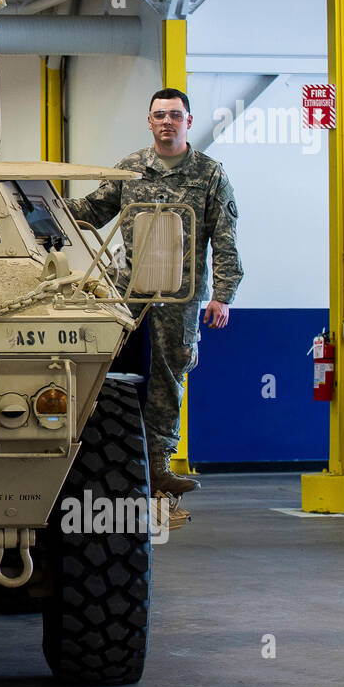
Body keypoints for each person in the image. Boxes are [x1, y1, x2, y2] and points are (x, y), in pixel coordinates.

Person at [64, 88, 243, 497]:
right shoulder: (132, 167)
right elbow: (93, 209)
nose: (167, 122)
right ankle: (91, 453)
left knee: (168, 373)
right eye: (160, 115)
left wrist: (223, 294)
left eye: (175, 115)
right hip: (127, 289)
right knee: (101, 364)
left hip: (179, 294)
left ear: (188, 121)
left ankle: (158, 465)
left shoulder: (210, 174)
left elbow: (225, 238)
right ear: (149, 121)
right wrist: (40, 203)